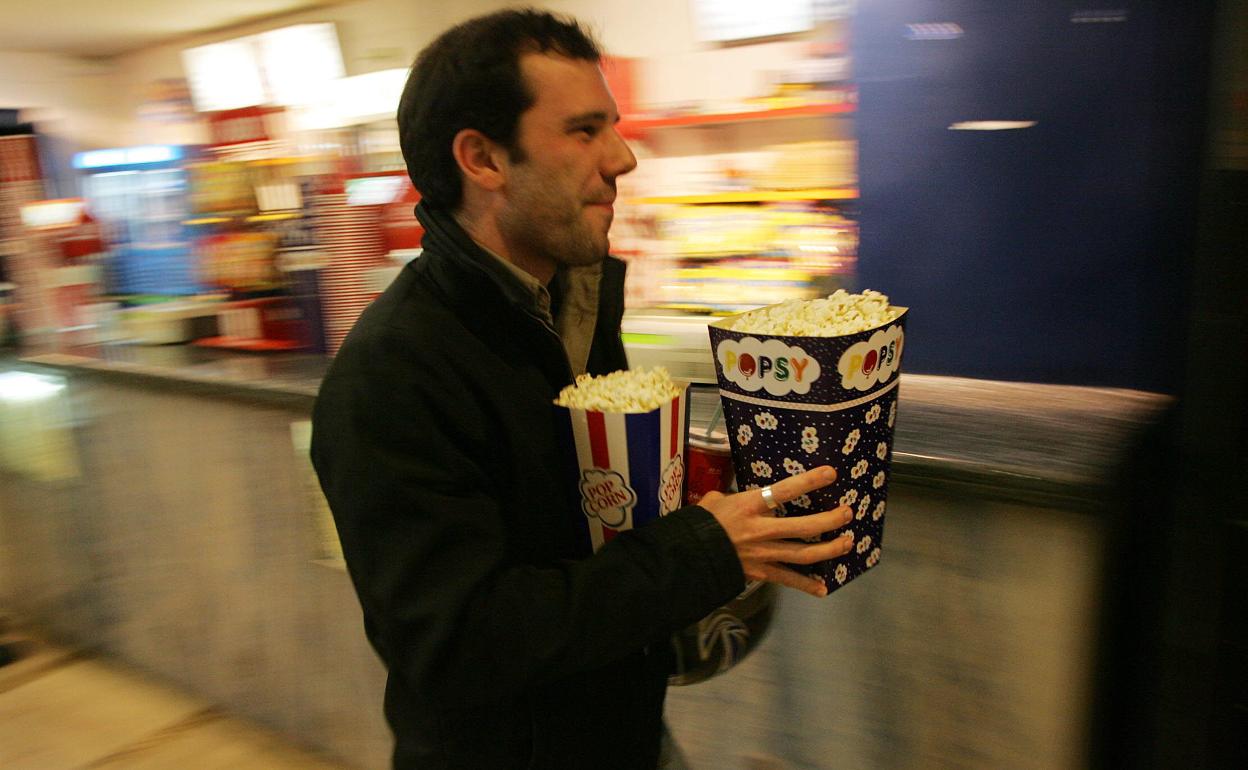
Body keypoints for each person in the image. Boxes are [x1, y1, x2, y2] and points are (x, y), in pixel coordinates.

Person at [310, 9, 854, 769]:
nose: (624, 158)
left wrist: (695, 489)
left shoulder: (573, 305)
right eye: (585, 131)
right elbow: (456, 643)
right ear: (483, 159)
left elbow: (567, 527)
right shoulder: (391, 374)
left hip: (622, 732)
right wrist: (700, 551)